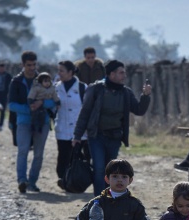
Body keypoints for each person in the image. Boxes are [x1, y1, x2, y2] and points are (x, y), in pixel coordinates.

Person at [72, 59, 151, 196]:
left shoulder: (126, 92)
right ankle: (98, 201)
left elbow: (139, 110)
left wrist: (145, 96)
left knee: (111, 171)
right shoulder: (96, 89)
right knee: (99, 168)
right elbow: (85, 113)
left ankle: (108, 199)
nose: (124, 76)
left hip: (114, 137)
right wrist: (77, 136)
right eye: (121, 73)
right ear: (111, 74)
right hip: (96, 136)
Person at [8, 51, 57, 193]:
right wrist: (29, 109)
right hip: (23, 121)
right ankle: (22, 180)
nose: (32, 67)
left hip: (42, 122)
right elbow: (11, 105)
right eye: (29, 65)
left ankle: (32, 182)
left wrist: (41, 103)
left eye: (34, 64)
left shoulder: (44, 79)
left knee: (39, 154)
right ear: (23, 65)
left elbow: (53, 101)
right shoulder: (16, 82)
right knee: (22, 151)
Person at [55, 60, 88, 190]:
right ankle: (64, 181)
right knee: (62, 158)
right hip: (62, 129)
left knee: (77, 159)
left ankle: (76, 183)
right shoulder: (55, 87)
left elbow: (87, 109)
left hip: (78, 131)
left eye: (61, 71)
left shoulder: (82, 88)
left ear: (70, 72)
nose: (59, 73)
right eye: (58, 71)